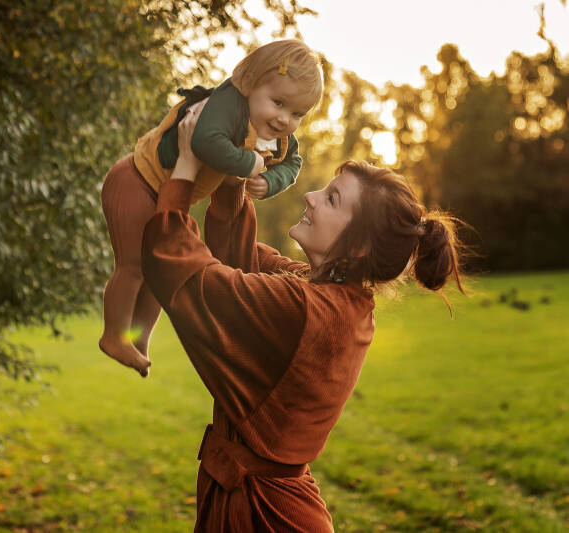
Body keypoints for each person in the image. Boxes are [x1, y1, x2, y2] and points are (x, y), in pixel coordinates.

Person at [140, 104, 466, 532]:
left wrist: (184, 167)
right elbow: (240, 262)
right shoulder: (334, 295)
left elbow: (189, 273)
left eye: (332, 198)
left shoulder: (308, 306)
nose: (310, 196)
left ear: (360, 247)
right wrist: (235, 167)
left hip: (267, 517)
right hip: (259, 505)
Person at [100, 40, 323, 376]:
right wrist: (249, 163)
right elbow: (204, 141)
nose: (284, 119)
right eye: (278, 102)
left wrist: (272, 180)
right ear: (249, 83)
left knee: (159, 270)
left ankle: (139, 338)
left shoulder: (274, 132)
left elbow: (293, 162)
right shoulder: (228, 104)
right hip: (137, 181)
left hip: (166, 196)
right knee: (134, 265)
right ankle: (114, 335)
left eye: (297, 114)